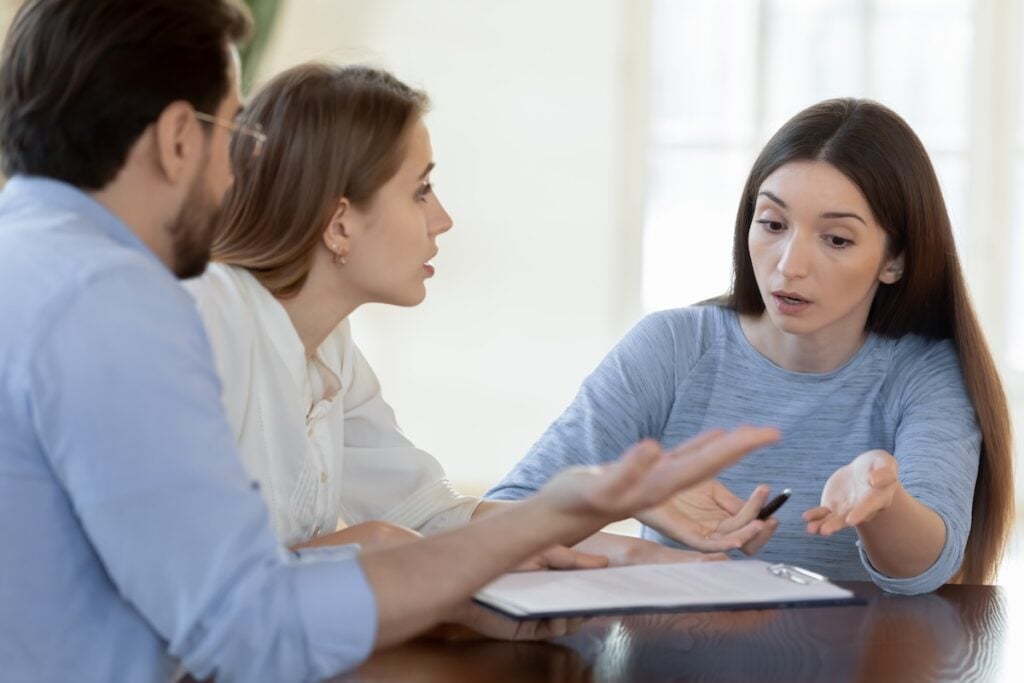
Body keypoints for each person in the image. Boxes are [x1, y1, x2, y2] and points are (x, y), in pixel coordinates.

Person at [0, 1, 780, 681]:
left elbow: (410, 525)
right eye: (230, 131)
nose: (237, 171)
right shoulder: (129, 305)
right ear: (177, 138)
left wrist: (594, 543)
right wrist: (529, 525)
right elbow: (248, 620)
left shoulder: (42, 265)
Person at [183, 62, 720, 565]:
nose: (443, 219)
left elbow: (428, 516)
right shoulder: (209, 319)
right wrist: (371, 546)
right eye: (420, 192)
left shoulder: (330, 347)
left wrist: (632, 541)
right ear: (340, 223)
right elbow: (195, 578)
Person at [487, 97, 1015, 594]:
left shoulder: (924, 372)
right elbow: (499, 519)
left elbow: (925, 570)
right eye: (773, 224)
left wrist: (883, 502)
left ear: (894, 260)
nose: (789, 264)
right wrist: (635, 503)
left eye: (836, 239)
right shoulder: (672, 346)